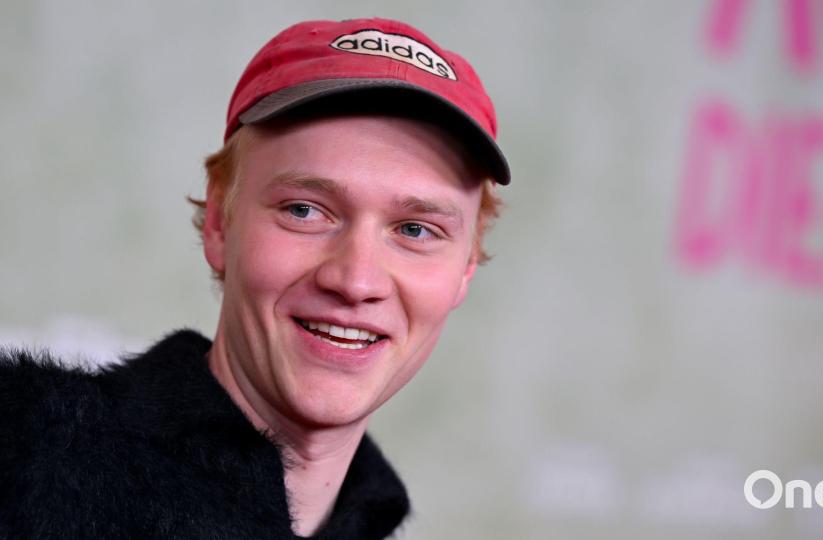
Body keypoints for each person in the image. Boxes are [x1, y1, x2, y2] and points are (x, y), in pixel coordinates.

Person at [0, 17, 509, 539]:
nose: (356, 281)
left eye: (415, 229)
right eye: (306, 210)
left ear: (465, 268)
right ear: (221, 224)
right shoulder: (23, 451)